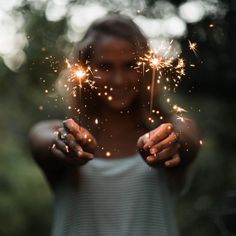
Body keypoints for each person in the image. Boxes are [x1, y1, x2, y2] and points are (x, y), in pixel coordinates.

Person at [29, 13, 200, 236]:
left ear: (146, 68)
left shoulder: (171, 131)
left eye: (130, 65)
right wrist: (63, 144)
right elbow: (43, 142)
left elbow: (188, 138)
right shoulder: (59, 134)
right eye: (105, 67)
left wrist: (172, 143)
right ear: (85, 70)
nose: (119, 79)